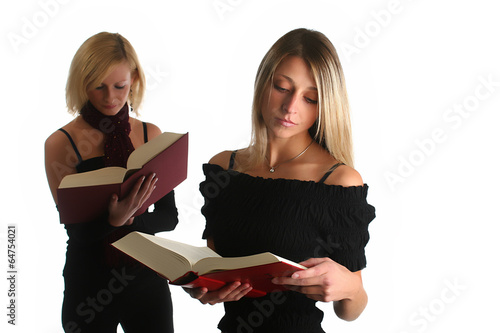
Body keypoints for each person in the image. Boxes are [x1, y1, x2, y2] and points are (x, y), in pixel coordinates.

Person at [188, 28, 376, 332]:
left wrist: (350, 289)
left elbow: (351, 310)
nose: (291, 107)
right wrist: (201, 287)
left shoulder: (337, 181)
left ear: (324, 105)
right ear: (264, 82)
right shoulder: (223, 167)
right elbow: (215, 265)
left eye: (310, 98)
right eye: (282, 87)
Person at [45, 32, 178, 333]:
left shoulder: (151, 135)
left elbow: (169, 218)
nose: (110, 98)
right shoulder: (60, 143)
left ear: (134, 79)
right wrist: (113, 220)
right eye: (98, 87)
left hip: (146, 279)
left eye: (120, 86)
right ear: (82, 84)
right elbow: (77, 232)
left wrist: (125, 221)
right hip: (88, 284)